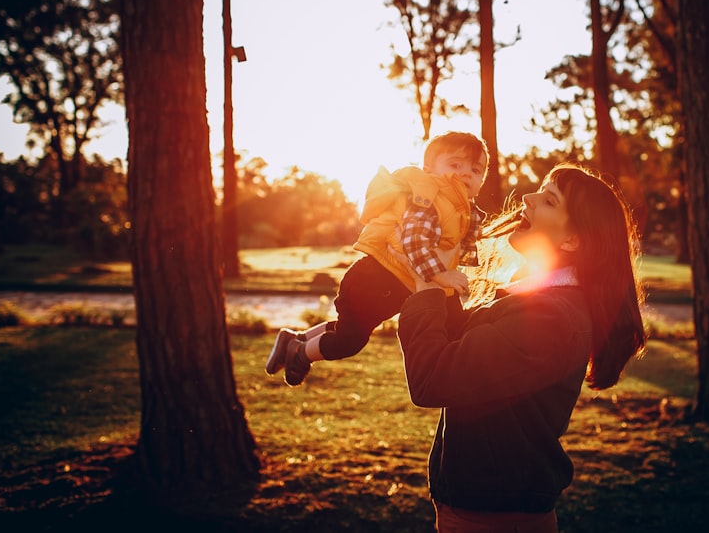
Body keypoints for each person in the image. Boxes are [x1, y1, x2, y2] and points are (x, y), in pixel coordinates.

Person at [395, 163, 646, 532]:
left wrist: (427, 290)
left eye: (548, 200)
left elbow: (433, 377)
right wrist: (439, 271)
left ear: (572, 240)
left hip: (496, 517)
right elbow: (458, 343)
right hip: (480, 507)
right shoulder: (536, 299)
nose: (526, 198)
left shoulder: (552, 319)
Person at [265, 131, 489, 387]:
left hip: (398, 283)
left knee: (449, 323)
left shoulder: (461, 208)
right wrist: (441, 274)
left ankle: (297, 337)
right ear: (429, 169)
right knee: (349, 340)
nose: (466, 173)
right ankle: (299, 351)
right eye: (455, 165)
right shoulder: (430, 198)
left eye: (476, 169)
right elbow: (413, 240)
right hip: (374, 280)